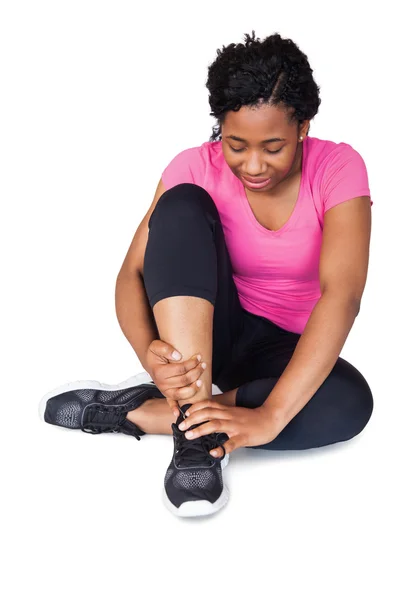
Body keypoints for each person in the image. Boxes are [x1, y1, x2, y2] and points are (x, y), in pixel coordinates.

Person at [39, 31, 374, 518]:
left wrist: (272, 416)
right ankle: (197, 443)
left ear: (304, 126)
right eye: (236, 144)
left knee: (349, 404)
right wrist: (155, 362)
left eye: (273, 147)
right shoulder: (193, 166)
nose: (253, 165)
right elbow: (131, 275)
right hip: (207, 334)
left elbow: (342, 294)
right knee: (181, 206)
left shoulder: (339, 167)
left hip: (288, 349)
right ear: (220, 127)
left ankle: (149, 412)